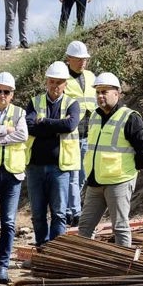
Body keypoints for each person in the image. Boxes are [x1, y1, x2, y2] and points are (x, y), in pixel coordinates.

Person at [78, 72, 143, 247]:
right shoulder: (95, 116)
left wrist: (132, 169)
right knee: (85, 227)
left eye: (104, 91)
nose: (100, 96)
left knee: (119, 227)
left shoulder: (130, 117)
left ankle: (123, 267)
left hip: (119, 181)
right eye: (98, 92)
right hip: (95, 181)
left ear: (117, 93)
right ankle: (83, 265)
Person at [24, 61, 81, 246]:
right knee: (38, 214)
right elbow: (30, 127)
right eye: (52, 81)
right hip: (35, 167)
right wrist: (56, 126)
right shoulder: (34, 102)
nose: (55, 86)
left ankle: (56, 250)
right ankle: (42, 248)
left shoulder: (72, 104)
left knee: (59, 213)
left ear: (65, 84)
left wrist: (44, 122)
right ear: (46, 82)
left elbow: (70, 125)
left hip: (60, 167)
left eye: (59, 82)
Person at [0, 71, 28, 282]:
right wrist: (5, 129)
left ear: (12, 94)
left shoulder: (19, 112)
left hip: (13, 173)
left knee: (9, 222)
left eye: (6, 92)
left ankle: (2, 266)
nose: (2, 95)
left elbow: (23, 135)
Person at [62, 40, 97, 227]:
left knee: (84, 173)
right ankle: (74, 213)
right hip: (71, 133)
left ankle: (71, 209)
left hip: (89, 132)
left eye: (84, 59)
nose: (82, 62)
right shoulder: (63, 78)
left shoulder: (91, 76)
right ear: (69, 59)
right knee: (73, 174)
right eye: (78, 59)